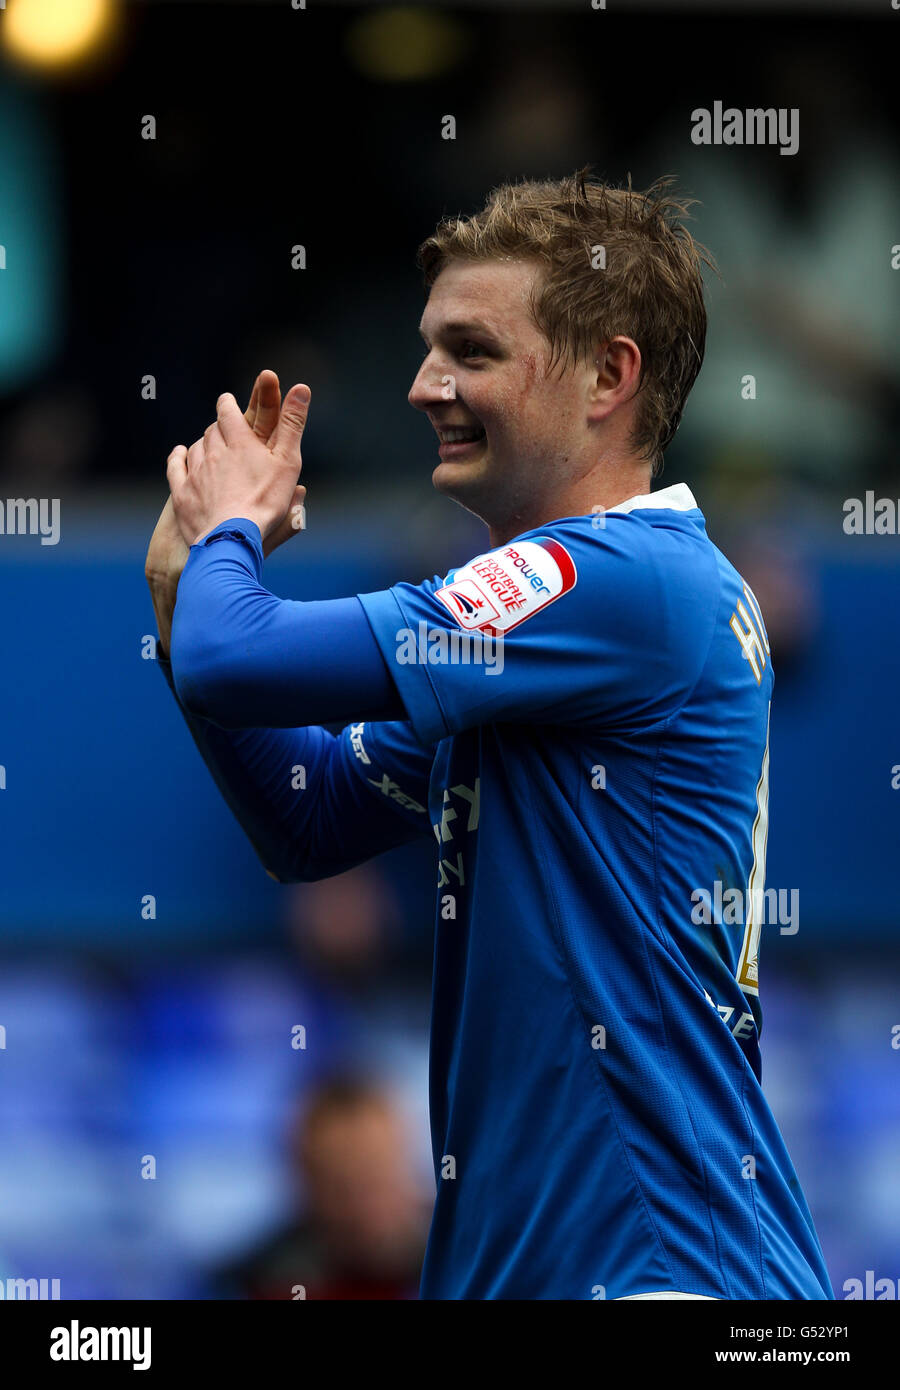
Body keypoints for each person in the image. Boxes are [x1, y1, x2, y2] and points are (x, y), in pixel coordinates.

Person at [146, 170, 834, 1300]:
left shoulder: (616, 577)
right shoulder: (549, 640)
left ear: (610, 374)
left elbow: (243, 651)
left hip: (657, 1266)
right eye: (428, 347)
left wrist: (229, 533)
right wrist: (185, 609)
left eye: (470, 349)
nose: (423, 385)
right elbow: (309, 821)